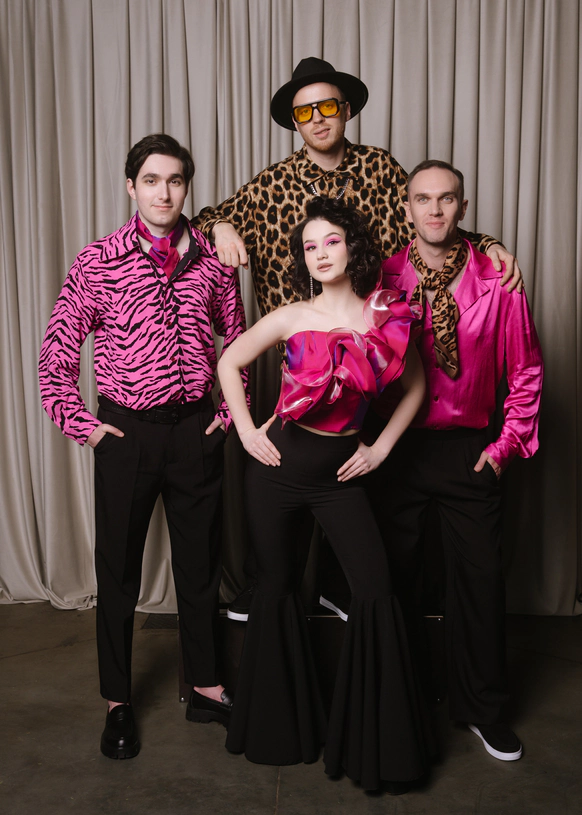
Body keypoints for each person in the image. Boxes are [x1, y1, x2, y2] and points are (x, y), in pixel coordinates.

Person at [193, 56, 523, 621]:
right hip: (300, 363)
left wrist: (487, 243)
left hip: (372, 357)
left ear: (345, 110)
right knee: (287, 486)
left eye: (327, 106)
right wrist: (221, 223)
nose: (318, 119)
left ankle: (345, 590)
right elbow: (205, 222)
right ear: (294, 122)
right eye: (305, 112)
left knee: (362, 489)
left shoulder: (381, 168)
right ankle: (271, 587)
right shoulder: (271, 183)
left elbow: (433, 218)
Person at [39, 134, 248, 759]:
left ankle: (205, 685)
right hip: (127, 433)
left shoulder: (212, 260)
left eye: (175, 180)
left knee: (200, 567)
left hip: (196, 432)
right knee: (118, 573)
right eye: (151, 180)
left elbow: (239, 344)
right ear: (132, 186)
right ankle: (117, 700)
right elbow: (56, 356)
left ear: (187, 187)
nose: (164, 192)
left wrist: (228, 418)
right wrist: (84, 425)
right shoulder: (97, 261)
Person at [217, 196, 432, 793]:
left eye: (331, 241)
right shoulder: (290, 316)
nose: (320, 253)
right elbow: (229, 362)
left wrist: (380, 449)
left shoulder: (384, 316)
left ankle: (377, 747)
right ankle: (280, 733)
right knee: (277, 588)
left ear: (352, 246)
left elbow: (416, 388)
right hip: (277, 472)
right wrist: (246, 431)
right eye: (309, 246)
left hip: (341, 479)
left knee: (375, 587)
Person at [366, 160, 543, 763]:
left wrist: (503, 449)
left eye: (446, 199)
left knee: (480, 584)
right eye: (423, 199)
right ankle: (409, 695)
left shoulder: (499, 279)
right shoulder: (382, 278)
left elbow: (526, 370)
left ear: (463, 208)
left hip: (471, 449)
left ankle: (483, 709)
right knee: (397, 580)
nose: (435, 209)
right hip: (399, 447)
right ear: (407, 209)